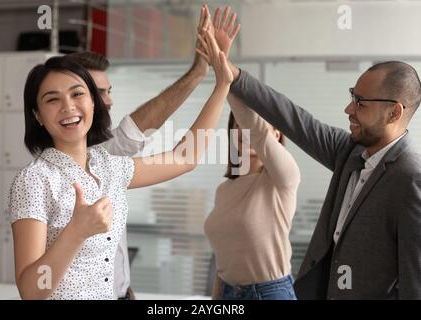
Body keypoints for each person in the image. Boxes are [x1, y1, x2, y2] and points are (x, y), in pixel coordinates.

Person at [8, 30, 233, 299]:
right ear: (38, 116)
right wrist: (76, 232)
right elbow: (31, 291)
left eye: (77, 94)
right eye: (52, 99)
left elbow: (184, 158)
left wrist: (222, 86)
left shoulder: (109, 166)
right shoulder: (34, 180)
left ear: (93, 103)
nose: (68, 107)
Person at [210, 22, 421, 299]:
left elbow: (414, 284)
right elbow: (292, 118)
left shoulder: (410, 178)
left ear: (394, 113)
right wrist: (230, 72)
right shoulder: (349, 152)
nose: (348, 109)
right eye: (351, 97)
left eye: (360, 102)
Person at [64, 4, 215, 300]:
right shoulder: (73, 165)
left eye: (109, 92)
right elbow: (140, 131)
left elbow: (185, 158)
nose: (108, 102)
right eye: (98, 93)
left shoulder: (105, 158)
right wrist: (203, 75)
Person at [199, 7, 300, 300]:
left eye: (253, 127)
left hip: (270, 293)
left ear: (277, 134)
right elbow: (223, 265)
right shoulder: (224, 190)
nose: (246, 133)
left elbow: (255, 127)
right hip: (229, 293)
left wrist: (223, 66)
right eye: (238, 128)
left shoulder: (282, 179)